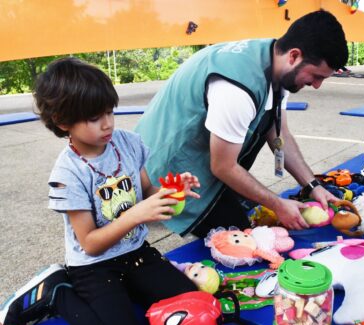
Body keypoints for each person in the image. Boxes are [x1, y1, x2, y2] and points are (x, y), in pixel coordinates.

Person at [0, 58, 200, 325]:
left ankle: (126, 290)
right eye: (94, 118)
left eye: (109, 111)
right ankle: (56, 291)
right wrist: (135, 216)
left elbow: (146, 190)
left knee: (190, 301)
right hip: (92, 267)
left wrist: (170, 192)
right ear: (63, 122)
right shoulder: (67, 174)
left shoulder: (127, 143)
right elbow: (91, 243)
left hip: (135, 253)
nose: (107, 123)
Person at [135, 10, 349, 237]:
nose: (317, 85)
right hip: (170, 167)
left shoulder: (277, 62)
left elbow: (279, 134)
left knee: (251, 224)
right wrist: (276, 204)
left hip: (209, 159)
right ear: (294, 56)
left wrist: (313, 186)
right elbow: (223, 166)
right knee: (245, 239)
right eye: (316, 76)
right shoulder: (237, 87)